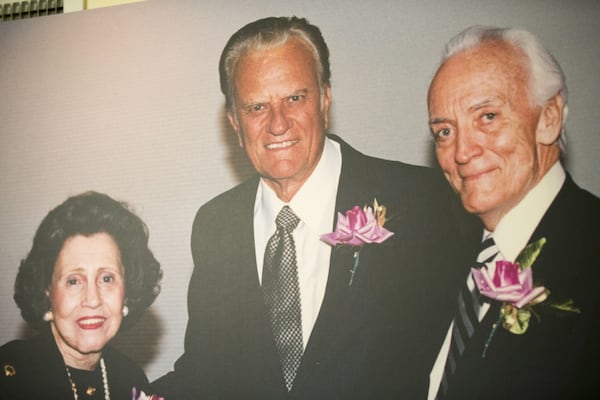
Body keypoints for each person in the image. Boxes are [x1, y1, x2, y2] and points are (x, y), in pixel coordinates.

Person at [153, 16, 473, 399]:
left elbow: (467, 357)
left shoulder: (421, 202)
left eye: (294, 98)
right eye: (256, 107)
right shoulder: (214, 225)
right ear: (234, 122)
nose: (277, 124)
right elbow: (204, 371)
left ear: (324, 99)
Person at [427, 25, 600, 399]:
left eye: (487, 117)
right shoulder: (446, 258)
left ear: (549, 118)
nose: (461, 152)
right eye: (444, 131)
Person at [0, 191, 163, 400]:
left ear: (128, 290)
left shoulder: (130, 379)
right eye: (73, 281)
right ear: (47, 291)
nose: (92, 299)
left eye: (106, 278)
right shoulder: (10, 378)